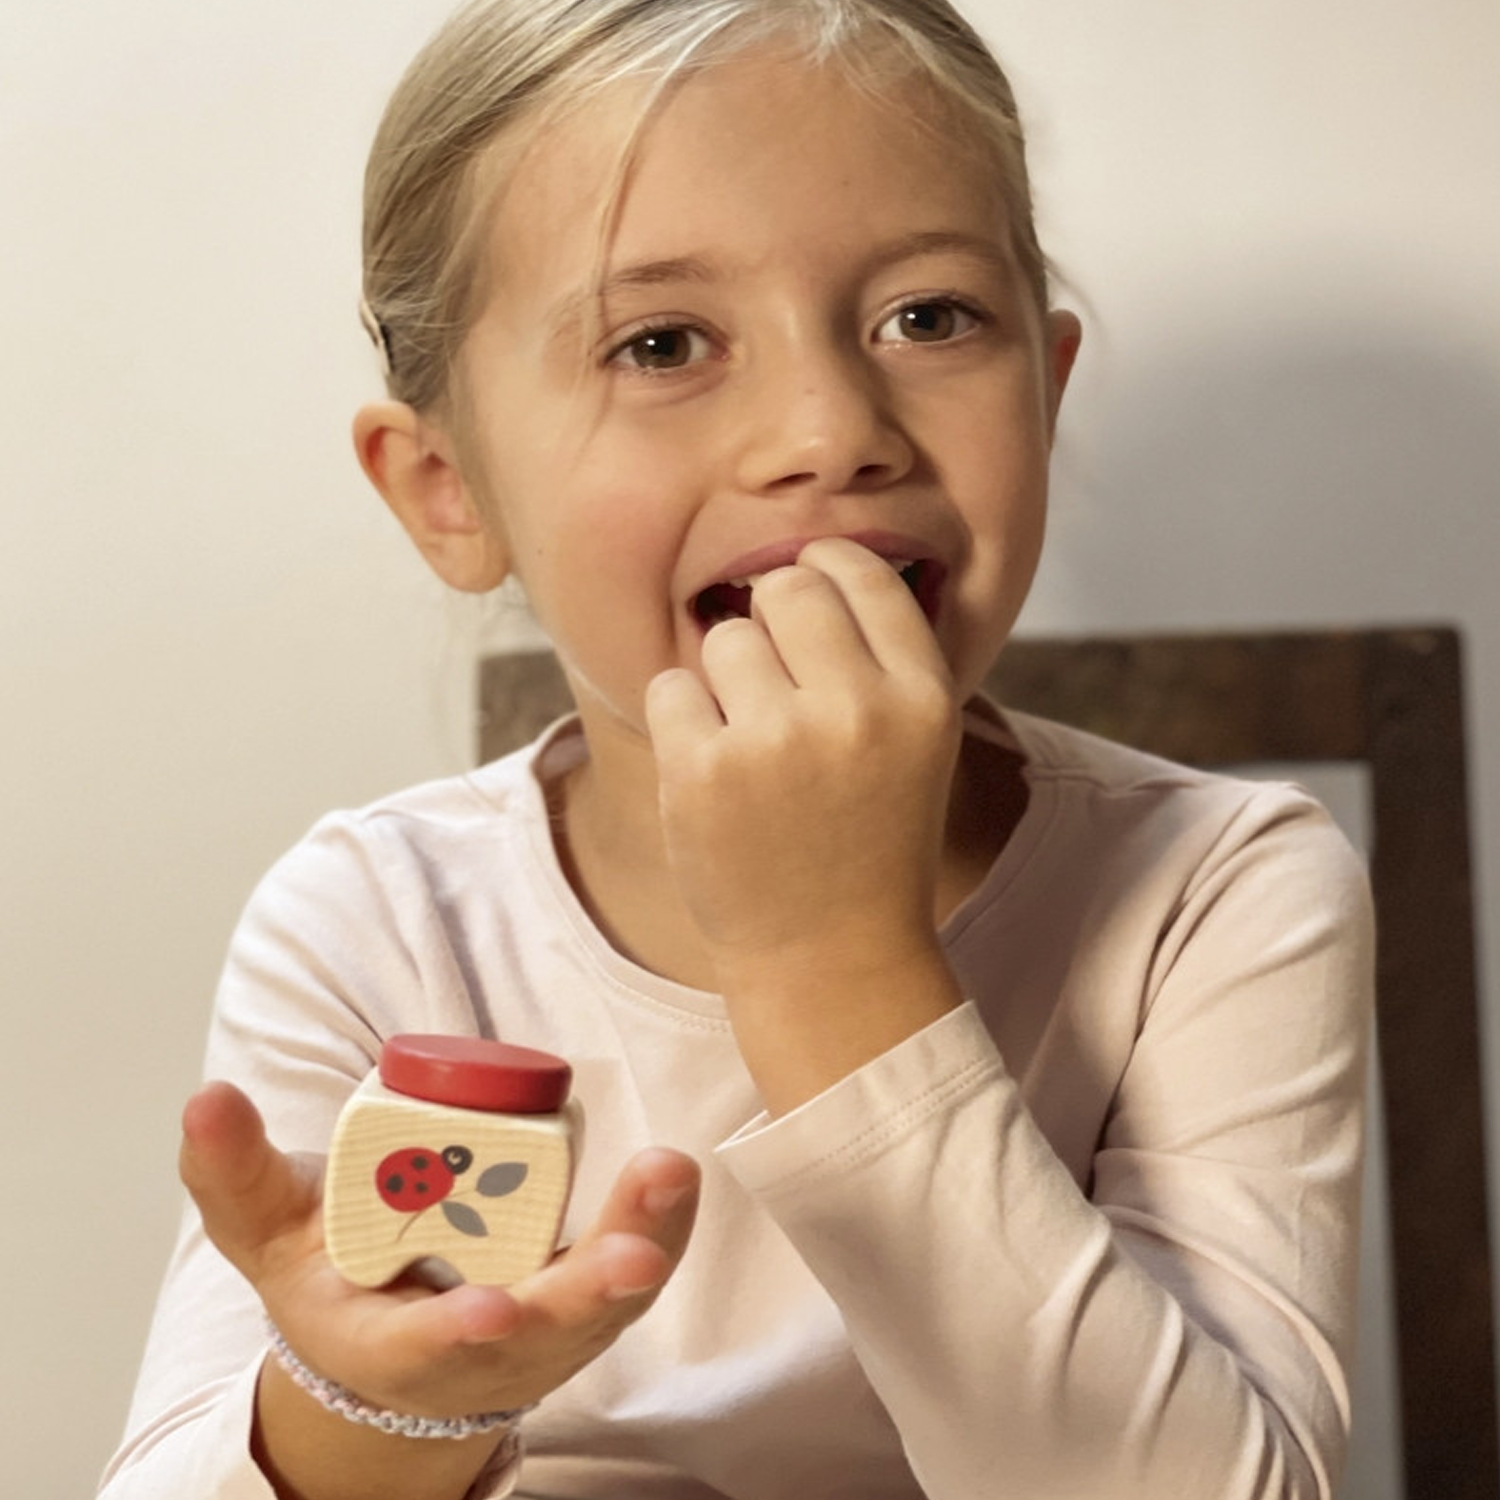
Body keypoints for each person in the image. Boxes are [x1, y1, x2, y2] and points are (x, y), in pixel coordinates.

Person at [98, 1, 1373, 1497]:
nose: (834, 428)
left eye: (931, 317)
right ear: (448, 490)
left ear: (1048, 381)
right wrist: (373, 1404)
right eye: (663, 343)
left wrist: (833, 959)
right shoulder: (379, 916)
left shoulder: (1220, 892)